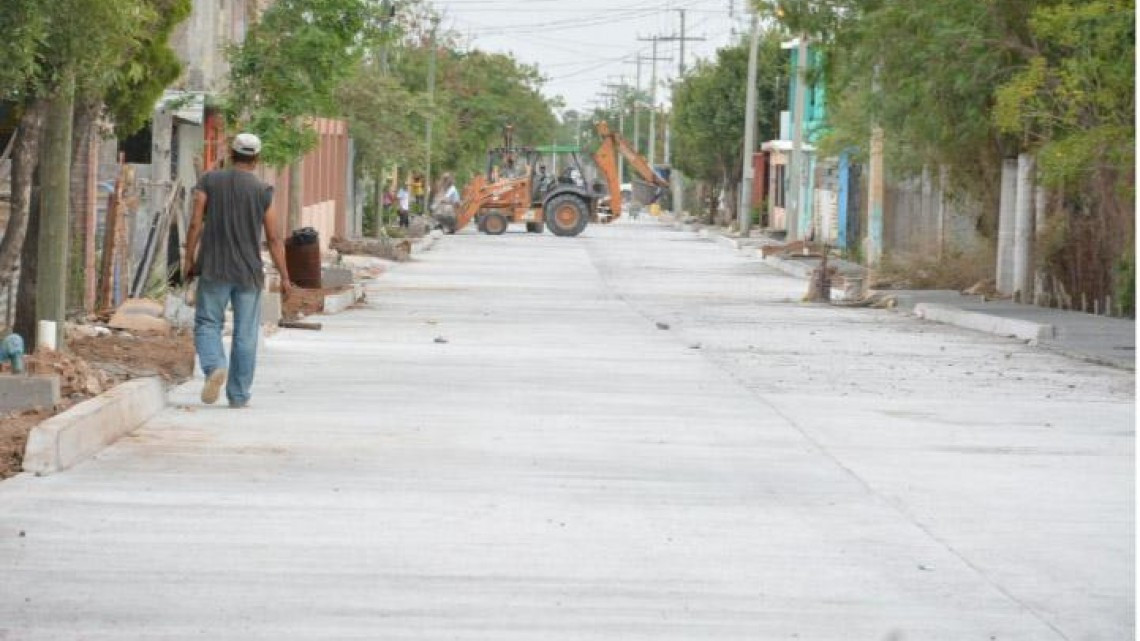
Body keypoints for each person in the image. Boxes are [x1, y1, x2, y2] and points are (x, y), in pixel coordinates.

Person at [183, 133, 293, 408]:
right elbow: (275, 238)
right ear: (256, 159)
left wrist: (188, 260)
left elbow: (195, 223)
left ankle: (215, 367)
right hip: (248, 273)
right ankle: (239, 394)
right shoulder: (263, 191)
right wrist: (285, 277)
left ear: (231, 154)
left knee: (208, 323)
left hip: (213, 268)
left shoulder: (209, 180)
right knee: (246, 332)